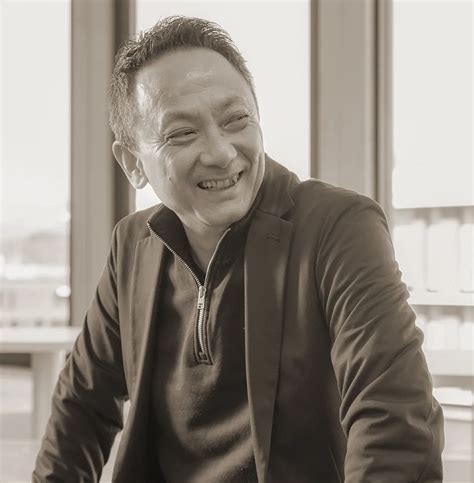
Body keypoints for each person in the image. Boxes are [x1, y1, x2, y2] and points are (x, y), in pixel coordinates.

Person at [33, 15, 444, 483]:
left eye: (236, 120)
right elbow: (81, 407)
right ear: (133, 163)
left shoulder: (338, 228)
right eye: (182, 133)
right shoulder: (133, 244)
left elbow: (393, 418)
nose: (222, 152)